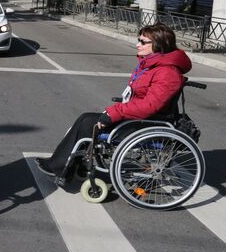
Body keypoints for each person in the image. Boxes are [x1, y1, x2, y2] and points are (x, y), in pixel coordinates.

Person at [35, 23, 192, 178]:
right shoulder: (150, 65)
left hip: (147, 123)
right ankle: (67, 164)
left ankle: (61, 166)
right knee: (86, 119)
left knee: (88, 123)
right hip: (138, 118)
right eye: (139, 40)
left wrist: (114, 113)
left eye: (143, 42)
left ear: (158, 44)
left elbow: (149, 106)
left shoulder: (167, 72)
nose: (138, 44)